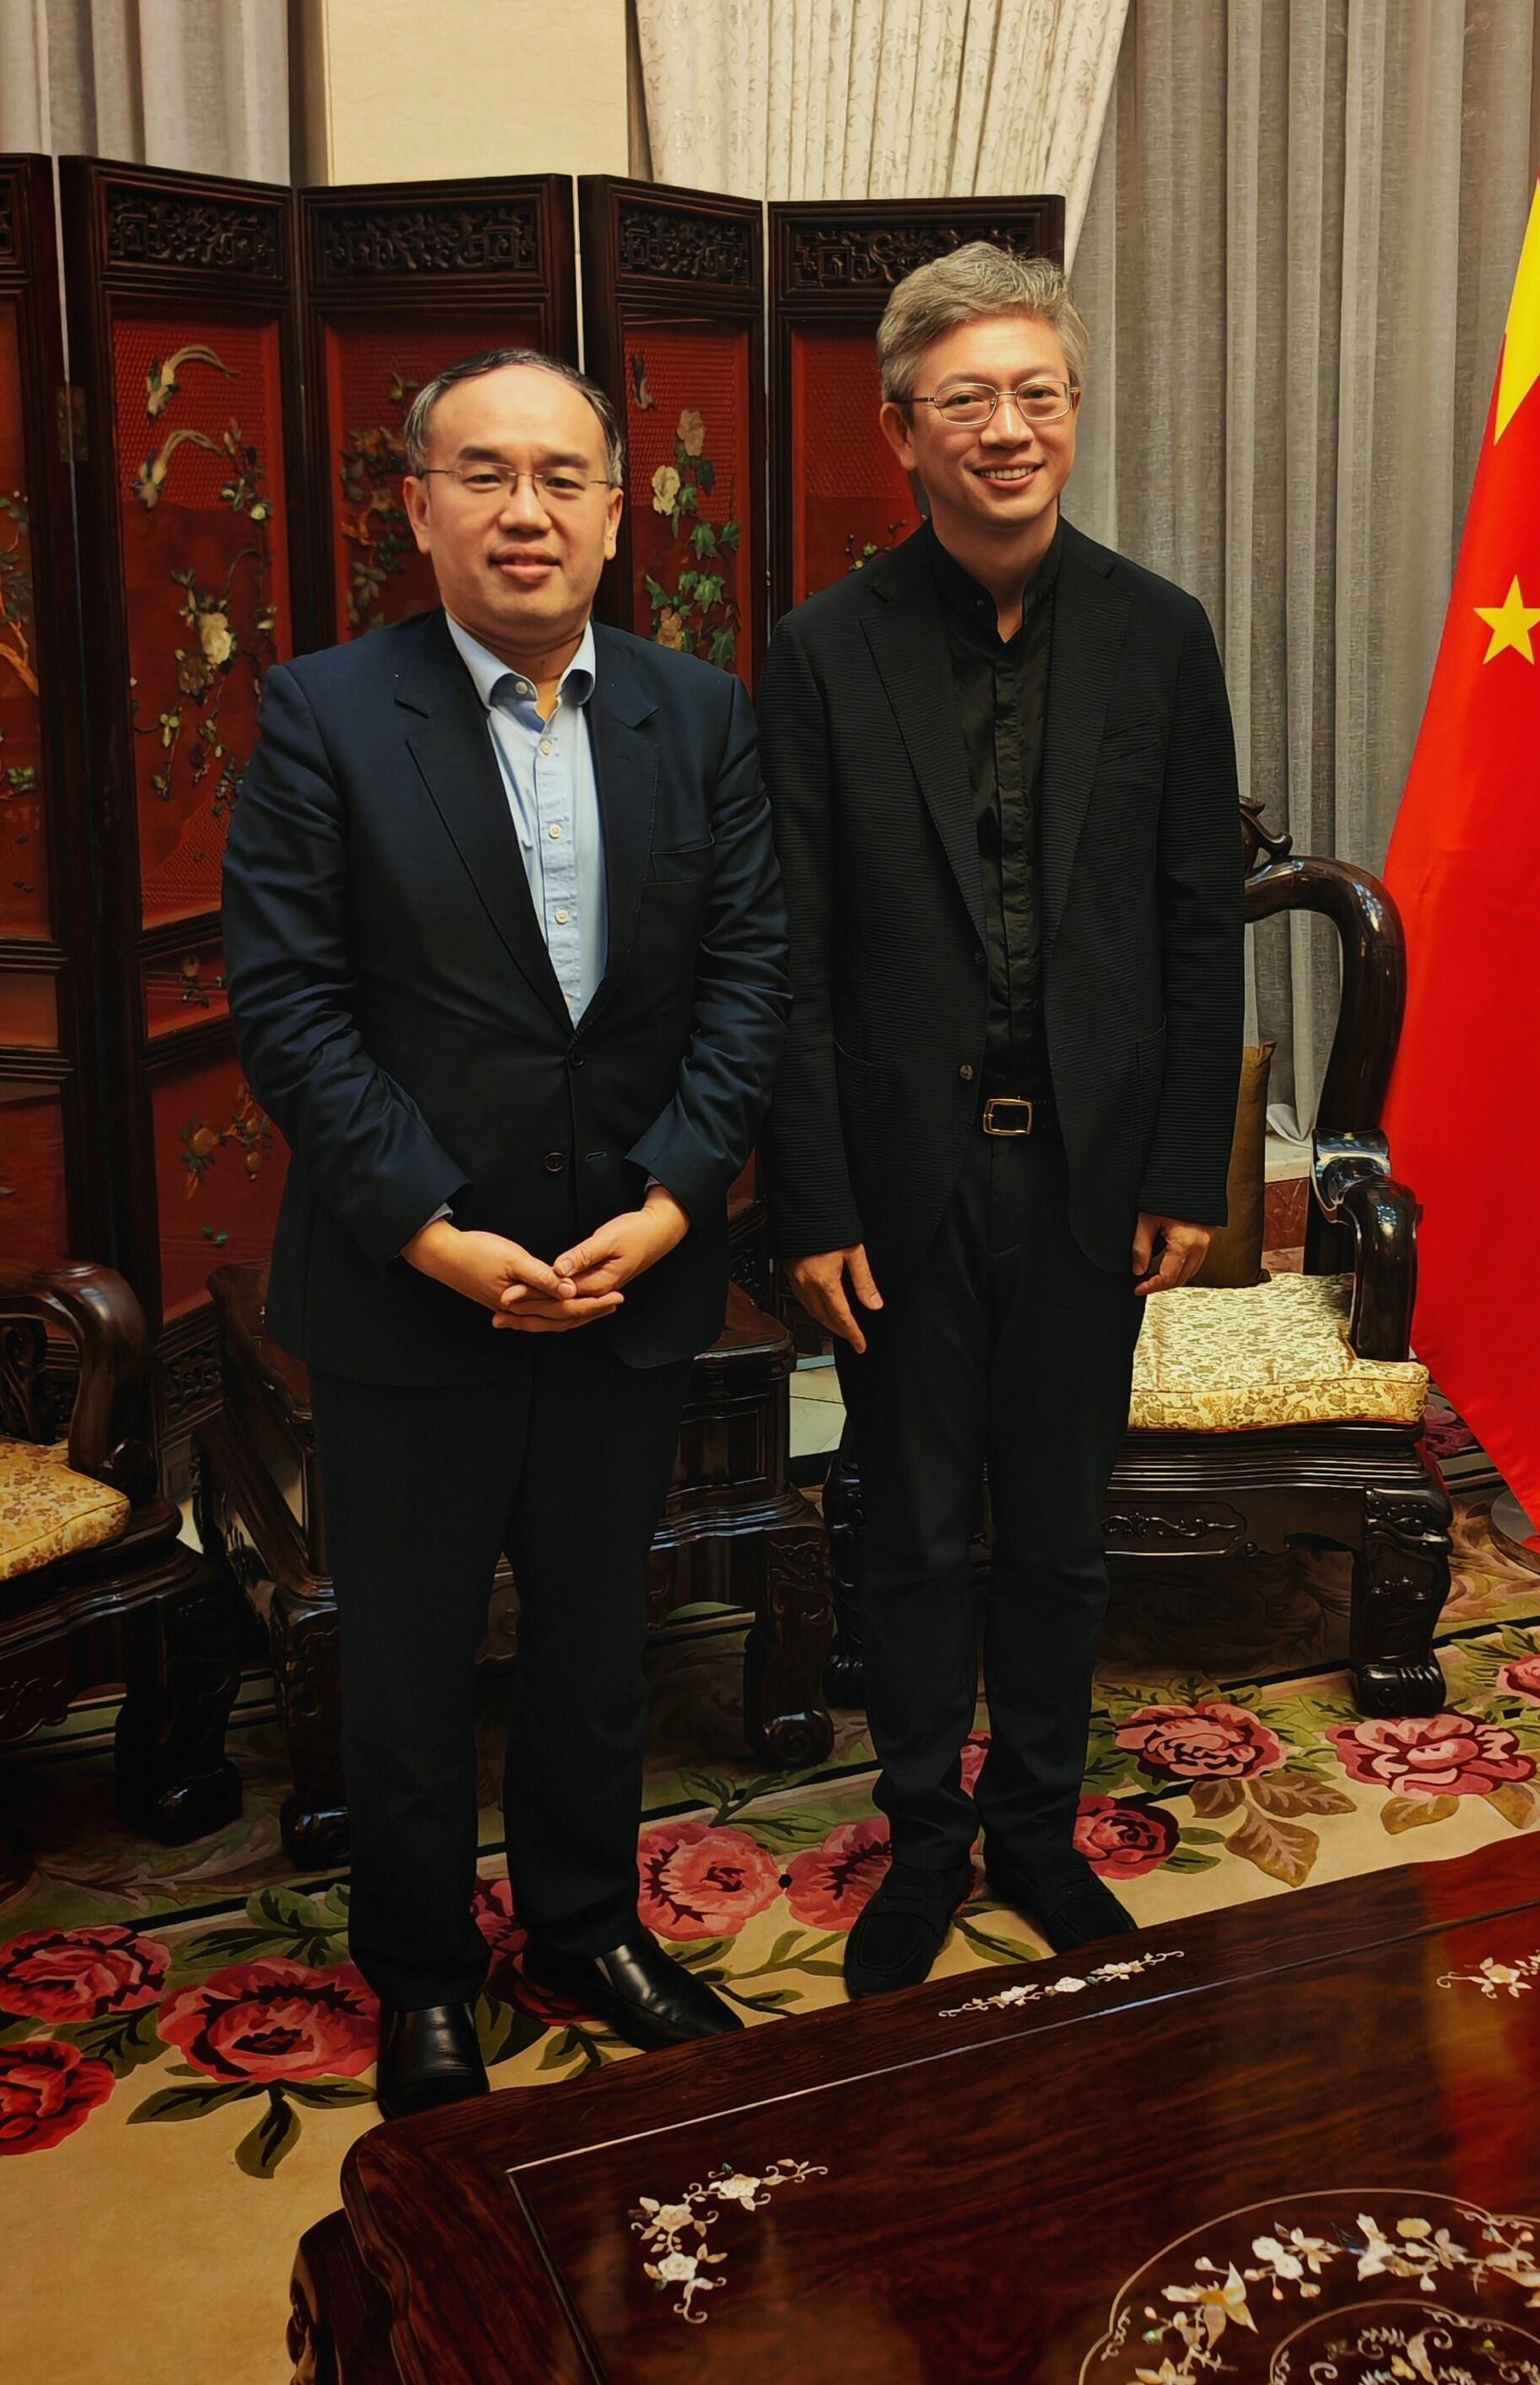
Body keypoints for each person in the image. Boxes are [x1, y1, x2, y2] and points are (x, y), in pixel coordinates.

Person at [223, 348, 789, 2117]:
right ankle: (422, 1970)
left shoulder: (699, 713)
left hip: (630, 1271)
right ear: (417, 506)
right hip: (419, 1293)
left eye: (563, 476)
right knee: (404, 1656)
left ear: (621, 513)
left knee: (596, 1639)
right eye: (484, 472)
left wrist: (680, 1197)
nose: (525, 509)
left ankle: (584, 1923)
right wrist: (439, 1234)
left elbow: (749, 979)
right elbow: (290, 1007)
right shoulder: (324, 712)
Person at [758, 247, 1242, 1996]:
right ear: (904, 430)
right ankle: (923, 1834)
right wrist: (810, 1200)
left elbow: (1203, 921)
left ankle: (1038, 1823)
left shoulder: (1160, 631)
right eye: (968, 396)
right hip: (896, 1182)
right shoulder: (821, 652)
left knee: (1055, 1519)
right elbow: (791, 952)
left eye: (1040, 390)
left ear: (1077, 410)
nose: (1011, 425)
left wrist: (1190, 1160)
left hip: (1093, 1174)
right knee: (908, 1520)